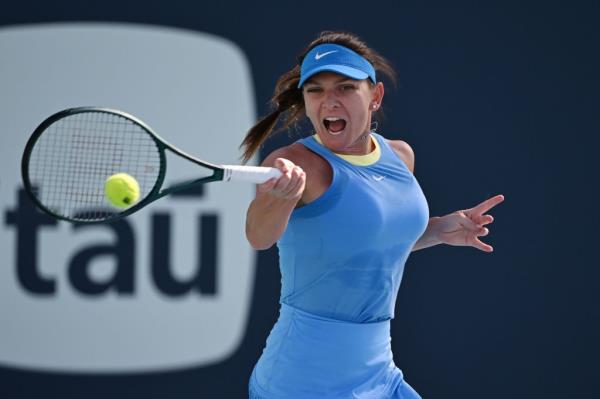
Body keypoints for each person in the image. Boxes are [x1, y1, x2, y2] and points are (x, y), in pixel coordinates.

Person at [241, 31, 504, 399]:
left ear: (375, 96)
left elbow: (366, 244)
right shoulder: (296, 164)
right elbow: (258, 236)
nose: (328, 100)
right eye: (315, 90)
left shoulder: (400, 156)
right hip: (303, 378)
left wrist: (439, 230)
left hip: (379, 372)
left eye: (345, 88)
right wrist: (277, 200)